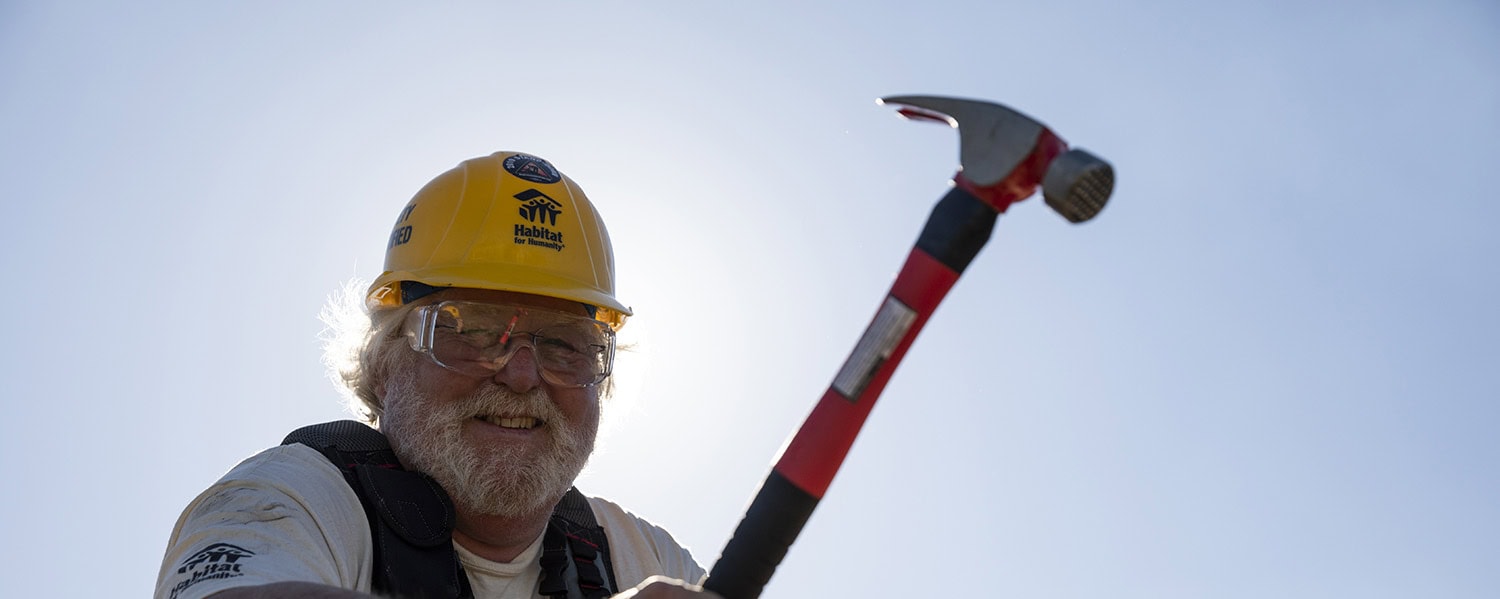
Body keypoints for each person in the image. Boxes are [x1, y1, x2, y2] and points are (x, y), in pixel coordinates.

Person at [154, 151, 719, 599]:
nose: (522, 375)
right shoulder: (291, 502)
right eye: (471, 331)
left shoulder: (642, 561)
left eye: (565, 344)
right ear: (383, 364)